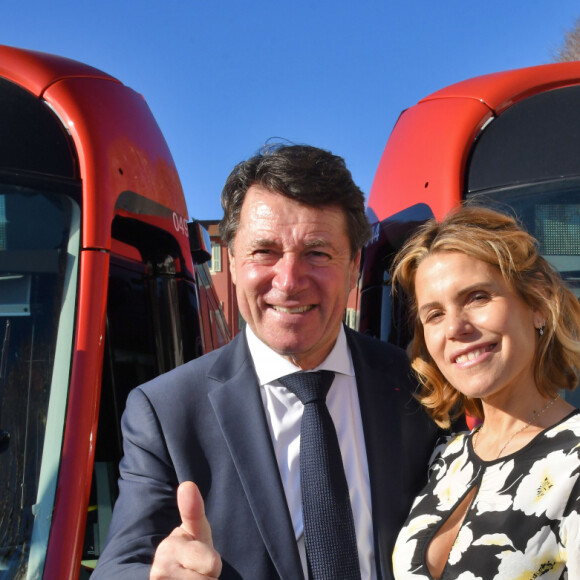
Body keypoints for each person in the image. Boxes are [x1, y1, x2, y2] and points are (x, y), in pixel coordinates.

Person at [92, 144, 441, 580]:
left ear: (354, 267)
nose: (290, 281)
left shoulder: (419, 386)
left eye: (317, 252)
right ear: (233, 263)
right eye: (264, 252)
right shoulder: (165, 411)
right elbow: (118, 567)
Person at [390, 205, 580, 579]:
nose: (455, 328)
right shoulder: (447, 456)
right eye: (434, 314)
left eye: (477, 297)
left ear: (537, 304)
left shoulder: (573, 461)